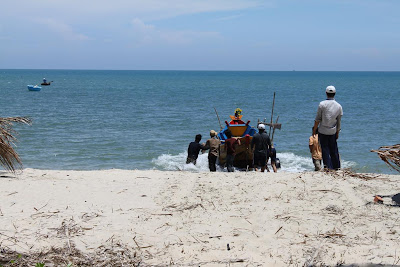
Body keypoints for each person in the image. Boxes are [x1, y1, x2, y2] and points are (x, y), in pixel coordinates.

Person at [313, 85, 343, 170]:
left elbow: (317, 119)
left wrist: (314, 130)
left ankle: (328, 167)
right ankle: (337, 167)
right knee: (334, 149)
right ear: (335, 94)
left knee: (325, 149)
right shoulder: (338, 106)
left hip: (323, 131)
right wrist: (337, 132)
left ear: (326, 93)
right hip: (333, 131)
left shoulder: (322, 104)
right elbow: (339, 122)